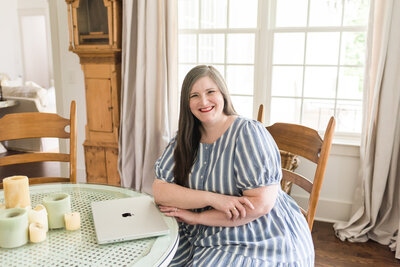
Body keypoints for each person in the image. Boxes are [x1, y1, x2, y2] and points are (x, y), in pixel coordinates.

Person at [153, 65, 314, 266]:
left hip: (257, 234)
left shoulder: (247, 133)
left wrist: (200, 217)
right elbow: (160, 190)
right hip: (198, 229)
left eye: (210, 92)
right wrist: (214, 199)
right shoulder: (185, 137)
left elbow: (261, 205)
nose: (203, 101)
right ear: (187, 103)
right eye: (194, 95)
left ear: (223, 94)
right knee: (154, 257)